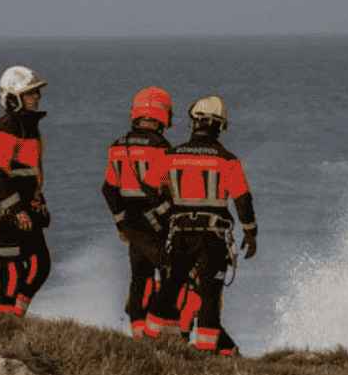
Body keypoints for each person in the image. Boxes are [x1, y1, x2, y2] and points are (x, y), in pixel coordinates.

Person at [150, 95, 257, 354]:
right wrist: (251, 232)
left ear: (194, 123)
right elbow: (243, 200)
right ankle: (207, 353)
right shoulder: (227, 160)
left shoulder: (170, 156)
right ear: (220, 126)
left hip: (179, 235)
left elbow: (154, 186)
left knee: (170, 288)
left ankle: (152, 342)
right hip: (212, 238)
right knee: (209, 295)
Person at [102, 87, 175, 337]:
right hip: (157, 222)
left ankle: (138, 332)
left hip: (132, 225)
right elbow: (168, 187)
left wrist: (121, 223)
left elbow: (109, 189)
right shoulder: (163, 148)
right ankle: (159, 333)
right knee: (169, 273)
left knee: (139, 277)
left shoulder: (117, 146)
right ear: (163, 115)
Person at [0, 66, 51, 317]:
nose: (37, 97)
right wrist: (15, 208)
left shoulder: (29, 126)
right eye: (31, 93)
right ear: (13, 97)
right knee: (12, 267)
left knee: (39, 265)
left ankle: (13, 316)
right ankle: (6, 319)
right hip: (6, 208)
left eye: (37, 93)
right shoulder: (6, 127)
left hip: (25, 205)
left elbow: (30, 172)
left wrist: (37, 199)